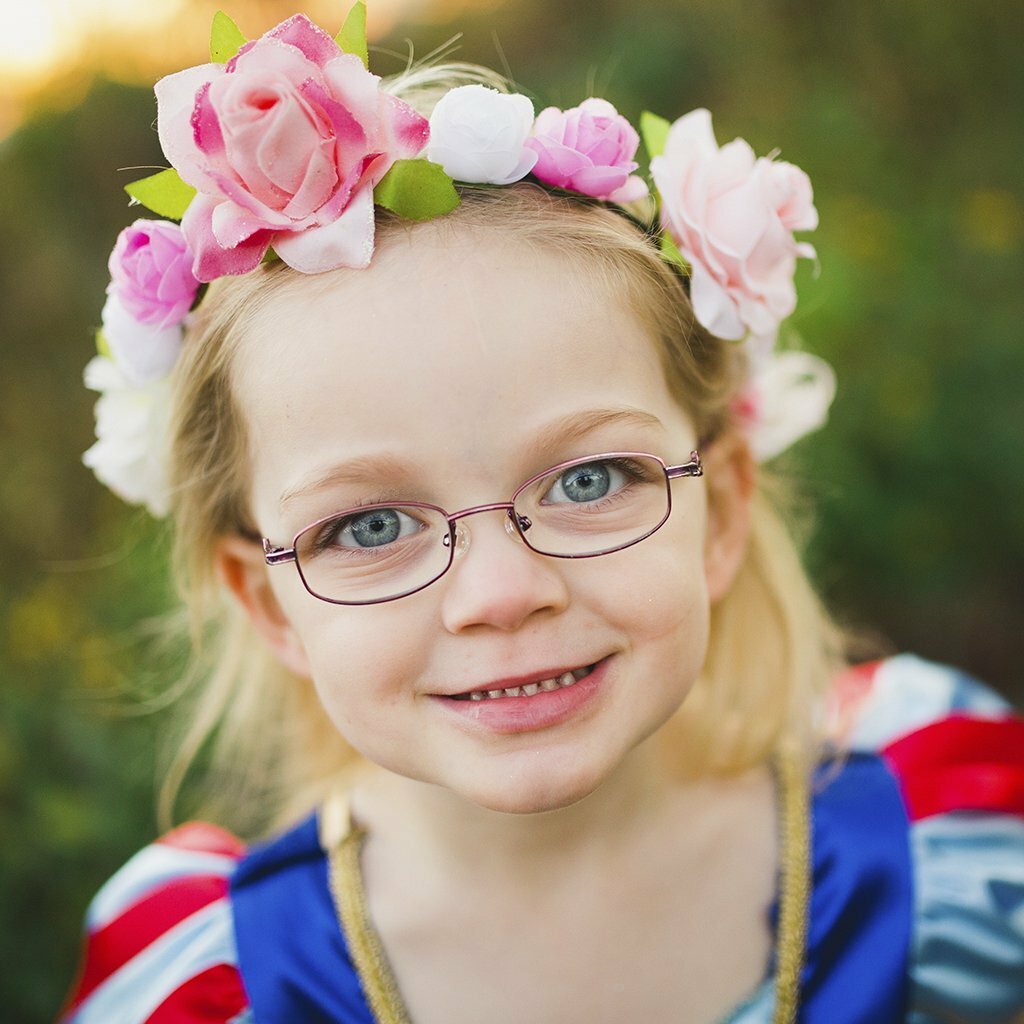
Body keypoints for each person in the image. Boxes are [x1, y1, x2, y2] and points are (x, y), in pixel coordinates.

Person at [60, 8, 1024, 1023]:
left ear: (725, 506)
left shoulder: (939, 839)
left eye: (588, 479)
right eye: (371, 527)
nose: (503, 594)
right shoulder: (207, 984)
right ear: (264, 602)